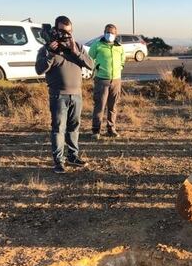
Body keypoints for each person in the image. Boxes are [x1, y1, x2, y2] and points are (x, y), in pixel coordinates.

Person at [36, 16, 94, 174]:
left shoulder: (77, 47)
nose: (66, 35)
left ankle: (73, 156)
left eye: (69, 32)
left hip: (77, 95)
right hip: (58, 96)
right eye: (62, 31)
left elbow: (91, 64)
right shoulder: (47, 49)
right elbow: (39, 69)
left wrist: (76, 52)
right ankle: (58, 161)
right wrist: (49, 54)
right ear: (55, 30)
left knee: (74, 128)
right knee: (58, 129)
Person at [89, 24, 125, 139]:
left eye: (112, 32)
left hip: (116, 80)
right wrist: (97, 68)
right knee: (100, 106)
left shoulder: (119, 47)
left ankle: (111, 128)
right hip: (101, 80)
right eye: (108, 32)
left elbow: (123, 61)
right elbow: (89, 58)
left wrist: (119, 69)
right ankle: (96, 130)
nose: (110, 34)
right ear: (104, 32)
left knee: (112, 106)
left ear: (116, 34)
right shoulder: (97, 45)